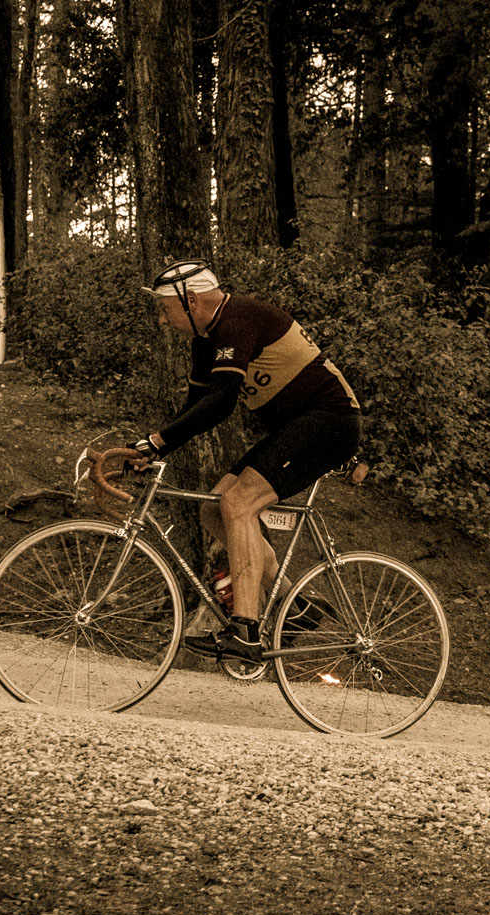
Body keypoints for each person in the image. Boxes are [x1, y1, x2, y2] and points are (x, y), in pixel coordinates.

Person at [120, 259, 362, 662]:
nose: (163, 320)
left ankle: (246, 631)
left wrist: (158, 440)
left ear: (191, 300)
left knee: (238, 504)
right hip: (297, 427)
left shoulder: (238, 319)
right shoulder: (206, 339)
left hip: (329, 421)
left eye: (165, 309)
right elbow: (197, 405)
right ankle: (298, 608)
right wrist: (156, 447)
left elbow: (221, 403)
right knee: (215, 511)